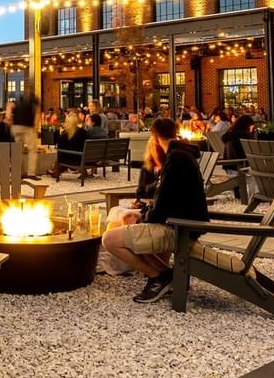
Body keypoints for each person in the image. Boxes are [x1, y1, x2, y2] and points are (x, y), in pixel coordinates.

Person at [101, 118, 209, 303]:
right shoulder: (181, 155)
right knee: (129, 226)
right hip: (182, 225)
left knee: (109, 239)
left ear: (155, 137)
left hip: (179, 229)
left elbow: (162, 206)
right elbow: (168, 198)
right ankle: (166, 275)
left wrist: (142, 217)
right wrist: (142, 214)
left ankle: (159, 277)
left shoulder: (175, 159)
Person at [51, 112, 86, 179]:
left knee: (61, 157)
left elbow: (60, 149)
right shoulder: (83, 132)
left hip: (73, 160)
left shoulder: (64, 135)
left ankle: (56, 171)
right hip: (84, 158)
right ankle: (54, 169)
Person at [12, 94, 41, 175]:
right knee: (32, 150)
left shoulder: (18, 103)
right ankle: (31, 173)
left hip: (16, 127)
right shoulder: (34, 103)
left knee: (18, 151)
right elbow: (37, 114)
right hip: (28, 127)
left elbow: (11, 112)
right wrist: (35, 127)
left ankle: (19, 172)